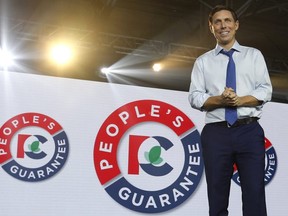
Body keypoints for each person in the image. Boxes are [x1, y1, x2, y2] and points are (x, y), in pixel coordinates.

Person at [188, 5, 272, 216]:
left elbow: (265, 90)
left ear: (236, 25)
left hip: (249, 131)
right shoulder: (202, 62)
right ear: (211, 27)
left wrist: (239, 100)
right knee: (217, 196)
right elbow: (195, 97)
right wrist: (220, 100)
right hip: (216, 133)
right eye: (217, 21)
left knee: (254, 194)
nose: (223, 25)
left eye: (227, 20)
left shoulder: (254, 56)